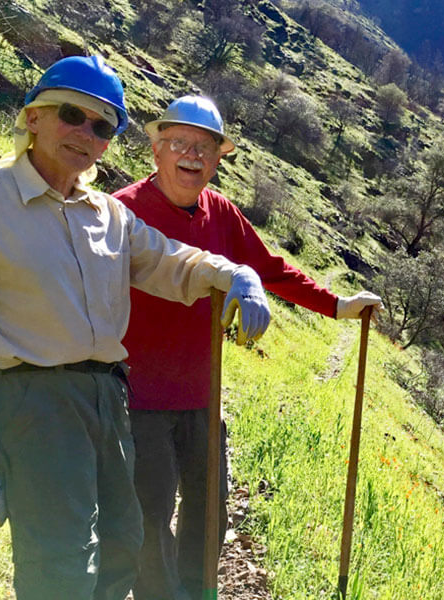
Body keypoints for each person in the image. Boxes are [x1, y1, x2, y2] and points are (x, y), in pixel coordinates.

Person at [0, 57, 271, 600]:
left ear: (109, 143)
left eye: (102, 125)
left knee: (122, 546)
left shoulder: (108, 215)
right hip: (33, 401)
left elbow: (171, 260)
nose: (85, 133)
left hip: (109, 396)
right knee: (61, 564)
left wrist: (236, 274)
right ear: (33, 117)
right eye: (71, 114)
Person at [113, 95, 383, 600]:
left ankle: (199, 593)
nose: (191, 156)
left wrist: (338, 304)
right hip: (137, 398)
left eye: (205, 148)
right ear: (156, 149)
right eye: (179, 143)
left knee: (209, 512)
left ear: (218, 160)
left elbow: (271, 270)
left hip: (203, 392)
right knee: (148, 516)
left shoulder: (222, 213)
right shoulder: (121, 211)